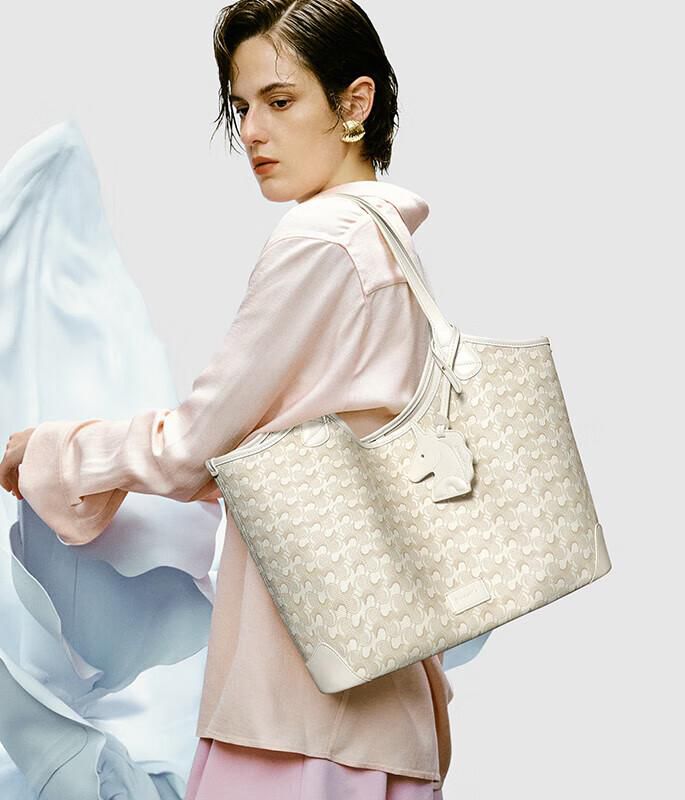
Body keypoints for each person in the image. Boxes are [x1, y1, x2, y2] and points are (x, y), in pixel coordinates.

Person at [0, 1, 454, 798]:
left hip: (295, 702)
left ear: (355, 102)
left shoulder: (320, 242)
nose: (251, 131)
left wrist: (51, 453)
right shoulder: (390, 245)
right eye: (240, 107)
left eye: (280, 101)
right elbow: (270, 452)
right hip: (386, 686)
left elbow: (195, 446)